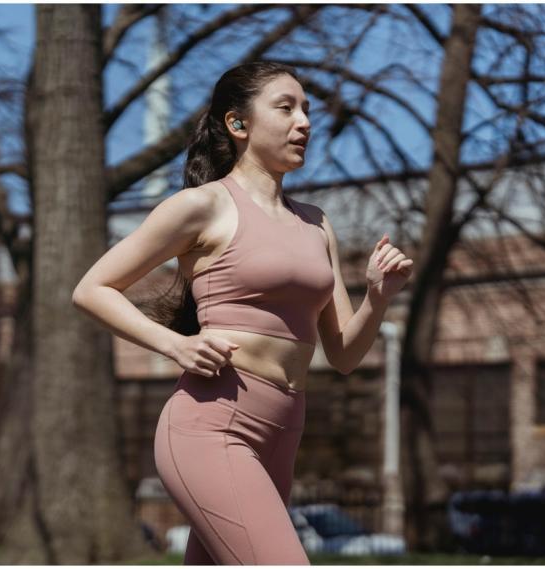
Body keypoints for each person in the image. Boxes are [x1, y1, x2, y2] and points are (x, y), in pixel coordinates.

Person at [72, 60, 413, 565]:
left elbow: (342, 354)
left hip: (283, 431)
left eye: (306, 111)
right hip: (213, 427)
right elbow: (92, 288)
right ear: (238, 124)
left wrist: (379, 298)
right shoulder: (202, 206)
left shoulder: (316, 224)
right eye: (286, 108)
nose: (304, 122)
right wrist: (176, 344)